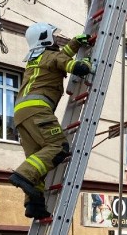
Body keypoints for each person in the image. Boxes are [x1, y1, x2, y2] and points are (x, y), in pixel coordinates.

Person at [9, 23, 93, 219]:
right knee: (58, 146)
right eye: (52, 37)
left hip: (22, 115)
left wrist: (73, 44)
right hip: (38, 110)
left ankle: (34, 203)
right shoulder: (50, 57)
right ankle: (23, 174)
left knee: (40, 157)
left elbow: (59, 58)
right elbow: (76, 67)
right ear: (46, 39)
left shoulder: (36, 59)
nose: (55, 41)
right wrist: (86, 63)